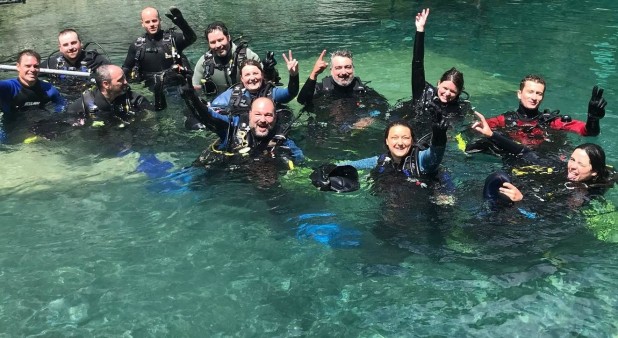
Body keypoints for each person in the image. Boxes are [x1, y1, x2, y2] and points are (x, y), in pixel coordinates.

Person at [471, 112, 615, 206]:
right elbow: (525, 152)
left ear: (594, 171)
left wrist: (522, 200)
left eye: (580, 164)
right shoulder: (561, 167)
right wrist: (492, 135)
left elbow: (554, 215)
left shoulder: (584, 194)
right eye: (572, 159)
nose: (571, 166)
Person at [181, 82, 303, 171]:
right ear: (249, 115)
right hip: (217, 171)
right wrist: (191, 96)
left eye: (268, 115)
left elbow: (299, 159)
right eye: (258, 114)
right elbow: (208, 116)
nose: (262, 120)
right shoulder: (232, 127)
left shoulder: (281, 138)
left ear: (275, 118)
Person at [390, 8, 473, 135]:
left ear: (459, 93)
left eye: (453, 91)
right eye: (445, 88)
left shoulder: (461, 108)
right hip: (411, 131)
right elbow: (417, 64)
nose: (447, 93)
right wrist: (420, 30)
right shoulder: (423, 92)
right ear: (438, 83)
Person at [481, 75, 607, 147]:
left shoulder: (551, 121)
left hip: (547, 164)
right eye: (530, 92)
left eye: (539, 93)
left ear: (542, 97)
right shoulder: (503, 120)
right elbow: (477, 128)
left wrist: (593, 118)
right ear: (519, 94)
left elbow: (588, 132)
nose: (534, 97)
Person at [121, 6, 196, 110]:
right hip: (149, 88)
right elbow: (126, 68)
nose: (151, 24)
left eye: (154, 20)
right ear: (142, 23)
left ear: (160, 20)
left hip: (174, 85)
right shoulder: (137, 46)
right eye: (147, 22)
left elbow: (191, 38)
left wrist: (182, 23)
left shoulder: (172, 39)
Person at [191, 21, 272, 97]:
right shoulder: (204, 62)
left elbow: (267, 82)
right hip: (218, 105)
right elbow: (195, 88)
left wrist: (269, 70)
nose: (218, 45)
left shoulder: (248, 56)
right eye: (213, 42)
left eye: (220, 40)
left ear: (228, 37)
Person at [0, 49, 66, 142]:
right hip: (12, 128)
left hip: (39, 127)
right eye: (27, 66)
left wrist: (55, 118)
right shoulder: (8, 87)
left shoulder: (49, 89)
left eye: (36, 66)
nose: (32, 69)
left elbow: (62, 105)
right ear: (18, 67)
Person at [208, 52, 299, 114]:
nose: (252, 78)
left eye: (255, 73)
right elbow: (213, 109)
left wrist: (294, 75)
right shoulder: (232, 95)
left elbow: (291, 93)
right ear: (242, 79)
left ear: (262, 75)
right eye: (247, 75)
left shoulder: (271, 92)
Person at [66, 65, 150, 128]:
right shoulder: (81, 106)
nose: (126, 82)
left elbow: (153, 114)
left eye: (124, 78)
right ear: (106, 84)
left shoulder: (134, 99)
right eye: (120, 80)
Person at [40, 29, 110, 96]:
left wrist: (97, 73)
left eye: (73, 43)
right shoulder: (53, 63)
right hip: (63, 97)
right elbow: (31, 73)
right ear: (60, 48)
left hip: (90, 97)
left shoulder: (94, 60)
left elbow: (116, 77)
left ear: (81, 43)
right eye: (65, 45)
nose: (70, 47)